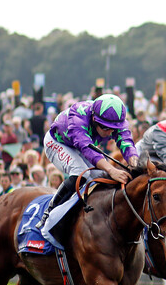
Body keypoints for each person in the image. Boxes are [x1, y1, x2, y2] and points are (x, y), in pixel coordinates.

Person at [38, 94, 139, 229]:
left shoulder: (114, 120)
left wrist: (135, 164)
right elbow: (87, 149)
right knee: (81, 173)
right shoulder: (78, 117)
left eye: (113, 129)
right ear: (93, 118)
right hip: (58, 142)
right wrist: (112, 169)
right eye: (105, 127)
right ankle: (49, 212)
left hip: (82, 146)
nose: (110, 132)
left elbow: (126, 142)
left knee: (102, 178)